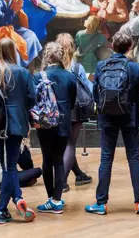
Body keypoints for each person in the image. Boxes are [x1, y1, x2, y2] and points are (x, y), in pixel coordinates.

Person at [85, 32, 139, 216]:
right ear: (130, 47)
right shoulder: (136, 68)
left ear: (112, 46)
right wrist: (132, 109)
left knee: (106, 158)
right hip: (129, 117)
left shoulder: (101, 66)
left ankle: (101, 203)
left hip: (107, 117)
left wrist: (104, 109)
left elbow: (96, 94)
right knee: (134, 158)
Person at [0, 38, 37, 224]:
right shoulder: (23, 72)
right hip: (17, 123)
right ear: (14, 52)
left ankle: (14, 199)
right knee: (9, 166)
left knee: (7, 166)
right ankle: (3, 208)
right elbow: (33, 98)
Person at [33, 42, 77, 214]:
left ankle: (51, 198)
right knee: (58, 159)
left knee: (47, 159)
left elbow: (33, 100)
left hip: (45, 124)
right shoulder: (70, 76)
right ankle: (57, 199)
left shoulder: (38, 76)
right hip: (64, 122)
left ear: (46, 56)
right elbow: (73, 101)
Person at [55, 33, 93, 192]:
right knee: (70, 144)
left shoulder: (51, 67)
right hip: (75, 110)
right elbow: (88, 89)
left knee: (65, 144)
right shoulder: (77, 67)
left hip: (57, 109)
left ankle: (79, 174)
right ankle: (62, 182)